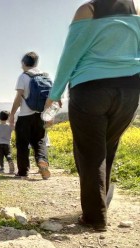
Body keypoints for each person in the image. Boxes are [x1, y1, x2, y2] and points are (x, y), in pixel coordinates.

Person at [46, 0, 140, 231]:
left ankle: (95, 217)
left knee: (90, 154)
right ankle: (101, 204)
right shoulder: (137, 9)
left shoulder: (88, 10)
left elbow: (72, 54)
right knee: (108, 148)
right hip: (130, 89)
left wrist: (55, 93)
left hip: (90, 88)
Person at [8, 52, 51, 180]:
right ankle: (42, 161)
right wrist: (50, 114)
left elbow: (18, 98)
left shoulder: (23, 77)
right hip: (40, 115)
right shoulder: (45, 76)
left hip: (25, 116)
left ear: (23, 63)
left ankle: (23, 171)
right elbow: (51, 97)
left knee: (22, 143)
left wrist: (12, 114)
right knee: (40, 141)